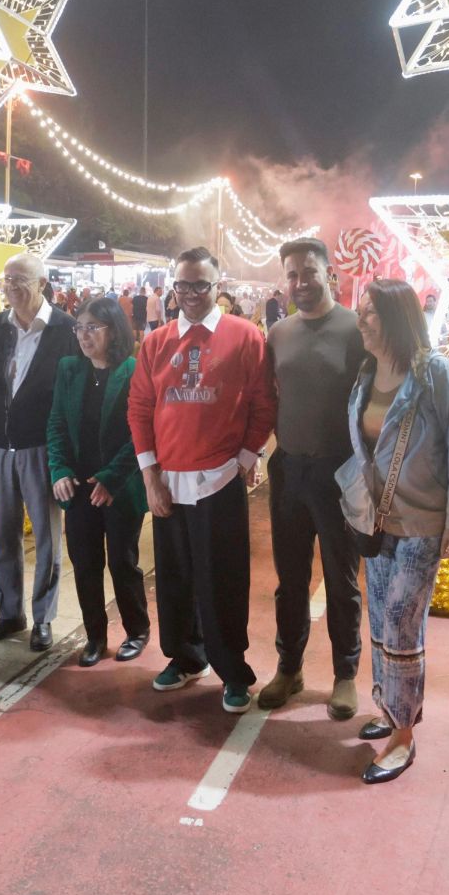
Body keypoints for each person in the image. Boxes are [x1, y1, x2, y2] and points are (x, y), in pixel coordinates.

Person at [129, 246, 276, 713]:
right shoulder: (156, 342)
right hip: (169, 479)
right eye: (183, 285)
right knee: (173, 577)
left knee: (223, 580)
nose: (191, 294)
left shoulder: (246, 336)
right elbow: (140, 409)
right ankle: (186, 657)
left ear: (218, 287)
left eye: (201, 285)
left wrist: (245, 459)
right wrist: (150, 476)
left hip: (217, 480)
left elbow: (263, 402)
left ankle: (232, 669)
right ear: (173, 288)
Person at [346, 278, 449, 784]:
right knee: (381, 620)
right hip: (378, 523)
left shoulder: (435, 375)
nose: (360, 321)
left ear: (397, 318)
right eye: (360, 312)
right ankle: (388, 707)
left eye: (370, 313)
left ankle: (404, 735)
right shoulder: (366, 375)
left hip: (423, 525)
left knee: (402, 620)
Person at [260, 238, 366, 719]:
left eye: (309, 272)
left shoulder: (357, 330)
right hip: (289, 470)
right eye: (292, 275)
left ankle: (345, 675)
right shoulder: (278, 332)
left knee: (341, 581)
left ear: (330, 275)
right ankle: (290, 668)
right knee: (290, 580)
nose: (300, 283)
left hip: (339, 471)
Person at [0, 252, 77, 650]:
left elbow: (73, 395)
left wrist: (69, 457)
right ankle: (10, 613)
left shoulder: (65, 328)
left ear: (42, 284)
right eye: (6, 279)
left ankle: (43, 617)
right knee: (4, 534)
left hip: (41, 446)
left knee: (47, 535)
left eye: (20, 280)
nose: (10, 287)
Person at [47, 296, 149, 666]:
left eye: (93, 328)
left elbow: (140, 433)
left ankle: (136, 630)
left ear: (113, 330)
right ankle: (95, 636)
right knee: (86, 563)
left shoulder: (133, 370)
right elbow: (57, 423)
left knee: (123, 563)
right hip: (78, 487)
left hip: (119, 487)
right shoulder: (69, 369)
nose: (84, 335)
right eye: (80, 327)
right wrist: (58, 471)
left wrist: (110, 477)